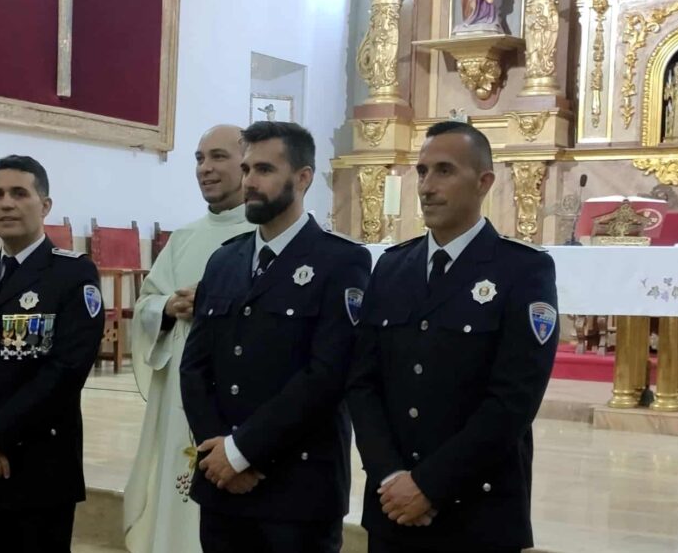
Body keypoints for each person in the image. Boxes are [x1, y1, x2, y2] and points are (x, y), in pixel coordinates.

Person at [347, 121, 559, 553]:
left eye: (444, 170)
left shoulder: (521, 270)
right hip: (392, 507)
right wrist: (391, 476)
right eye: (422, 172)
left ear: (484, 182)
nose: (427, 186)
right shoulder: (392, 267)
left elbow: (513, 400)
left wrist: (429, 485)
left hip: (477, 510)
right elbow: (362, 382)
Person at [180, 121, 371, 553]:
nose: (249, 181)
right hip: (222, 485)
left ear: (302, 178)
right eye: (247, 169)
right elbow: (195, 367)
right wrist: (218, 454)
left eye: (264, 170)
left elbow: (326, 375)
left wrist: (241, 451)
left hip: (297, 489)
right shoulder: (225, 261)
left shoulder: (341, 261)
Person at [0, 155, 105, 553]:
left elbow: (66, 371)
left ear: (44, 206)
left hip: (39, 465)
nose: (6, 204)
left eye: (19, 193)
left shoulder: (73, 274)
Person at [123, 125, 254, 553]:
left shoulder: (263, 235)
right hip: (181, 396)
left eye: (218, 157)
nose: (205, 168)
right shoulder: (184, 237)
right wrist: (167, 307)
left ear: (247, 164)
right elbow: (146, 302)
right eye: (199, 158)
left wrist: (216, 302)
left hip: (236, 397)